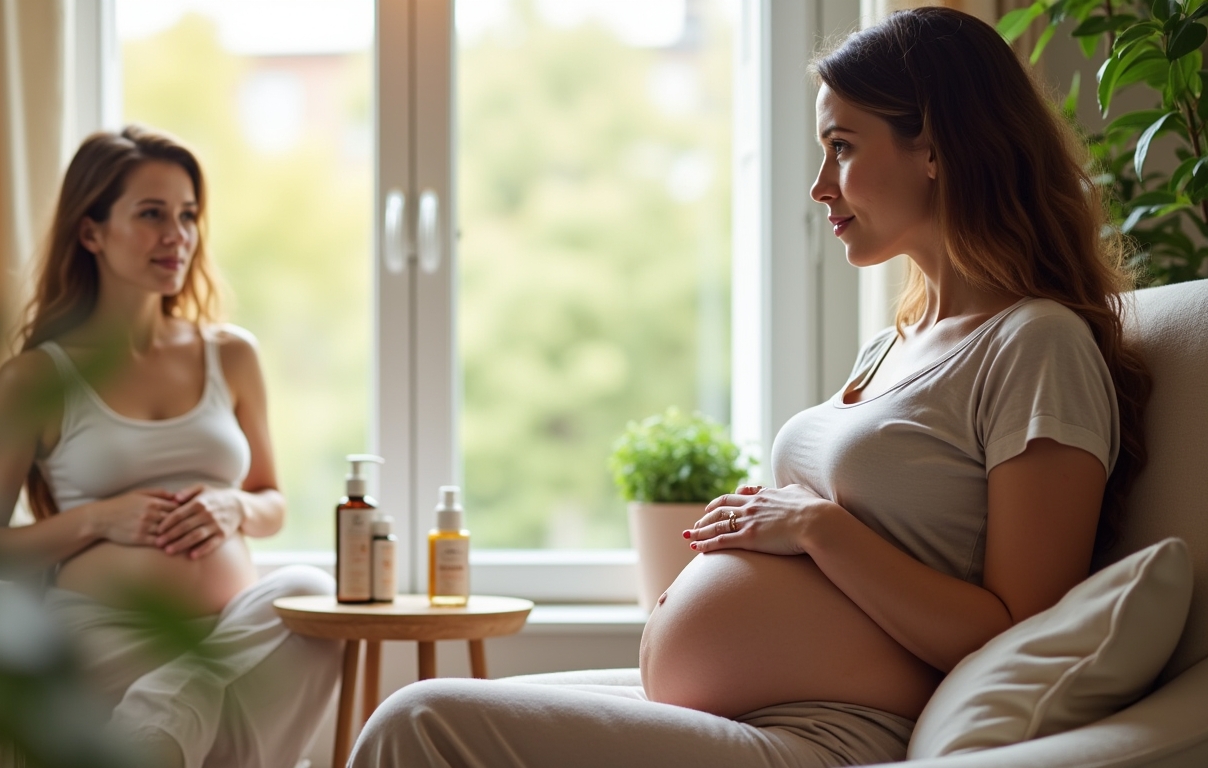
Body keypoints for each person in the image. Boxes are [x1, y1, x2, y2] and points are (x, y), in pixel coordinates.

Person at [347, 8, 1151, 767]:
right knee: (419, 716)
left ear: (935, 148)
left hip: (836, 736)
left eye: (841, 146)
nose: (818, 186)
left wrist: (815, 529)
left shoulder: (1037, 344)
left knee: (417, 724)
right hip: (745, 707)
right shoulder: (890, 345)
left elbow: (1022, 632)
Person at [0, 125, 340, 768]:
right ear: (91, 233)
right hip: (105, 639)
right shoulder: (37, 377)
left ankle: (150, 736)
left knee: (308, 588)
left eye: (189, 215)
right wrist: (98, 518)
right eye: (152, 214)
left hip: (232, 638)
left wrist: (235, 509)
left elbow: (270, 499)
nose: (178, 236)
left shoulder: (233, 354)